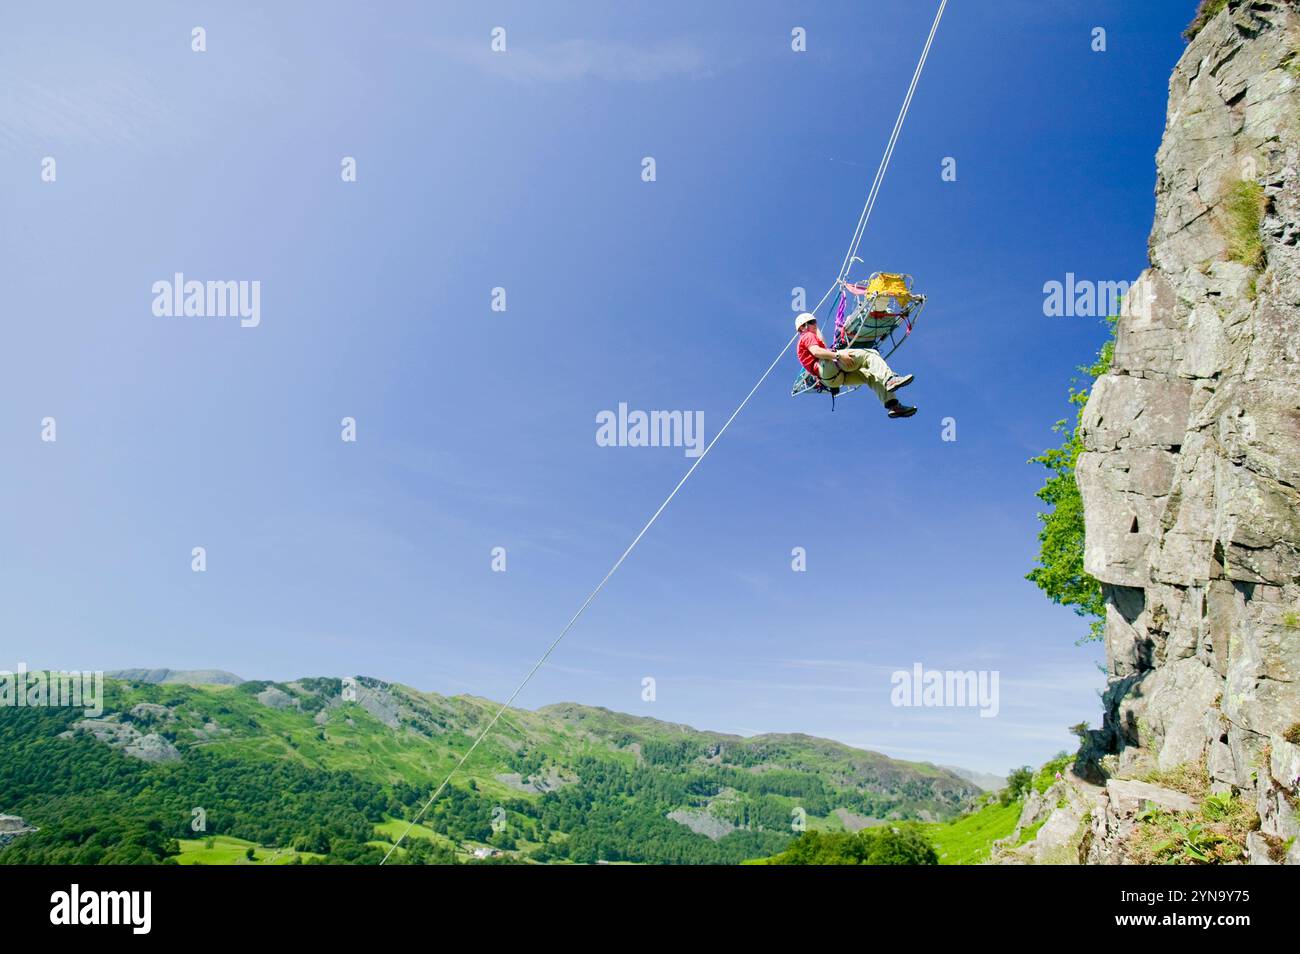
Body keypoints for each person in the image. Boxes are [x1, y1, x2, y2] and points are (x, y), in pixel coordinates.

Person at [794, 312, 917, 417]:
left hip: (831, 378)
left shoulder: (809, 336)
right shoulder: (807, 336)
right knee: (870, 353)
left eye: (814, 322)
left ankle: (893, 405)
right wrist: (839, 355)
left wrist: (815, 327)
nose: (814, 325)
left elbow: (821, 344)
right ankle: (890, 379)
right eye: (811, 322)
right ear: (802, 328)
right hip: (827, 367)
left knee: (870, 375)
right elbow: (817, 351)